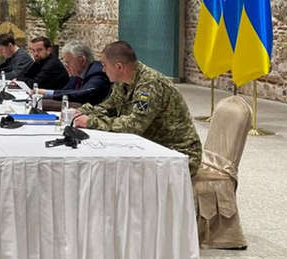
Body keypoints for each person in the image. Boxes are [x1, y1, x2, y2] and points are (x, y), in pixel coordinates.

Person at [72, 41, 202, 176]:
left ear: (119, 67)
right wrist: (85, 111)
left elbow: (134, 126)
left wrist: (91, 122)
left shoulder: (150, 84)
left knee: (113, 171)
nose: (103, 70)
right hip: (150, 147)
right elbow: (109, 106)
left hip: (178, 154)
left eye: (104, 65)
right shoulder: (123, 82)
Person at [41, 41, 111, 105]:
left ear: (82, 60)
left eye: (68, 62)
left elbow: (82, 93)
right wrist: (44, 94)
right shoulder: (76, 75)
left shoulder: (98, 73)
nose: (66, 66)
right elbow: (65, 91)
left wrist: (47, 93)